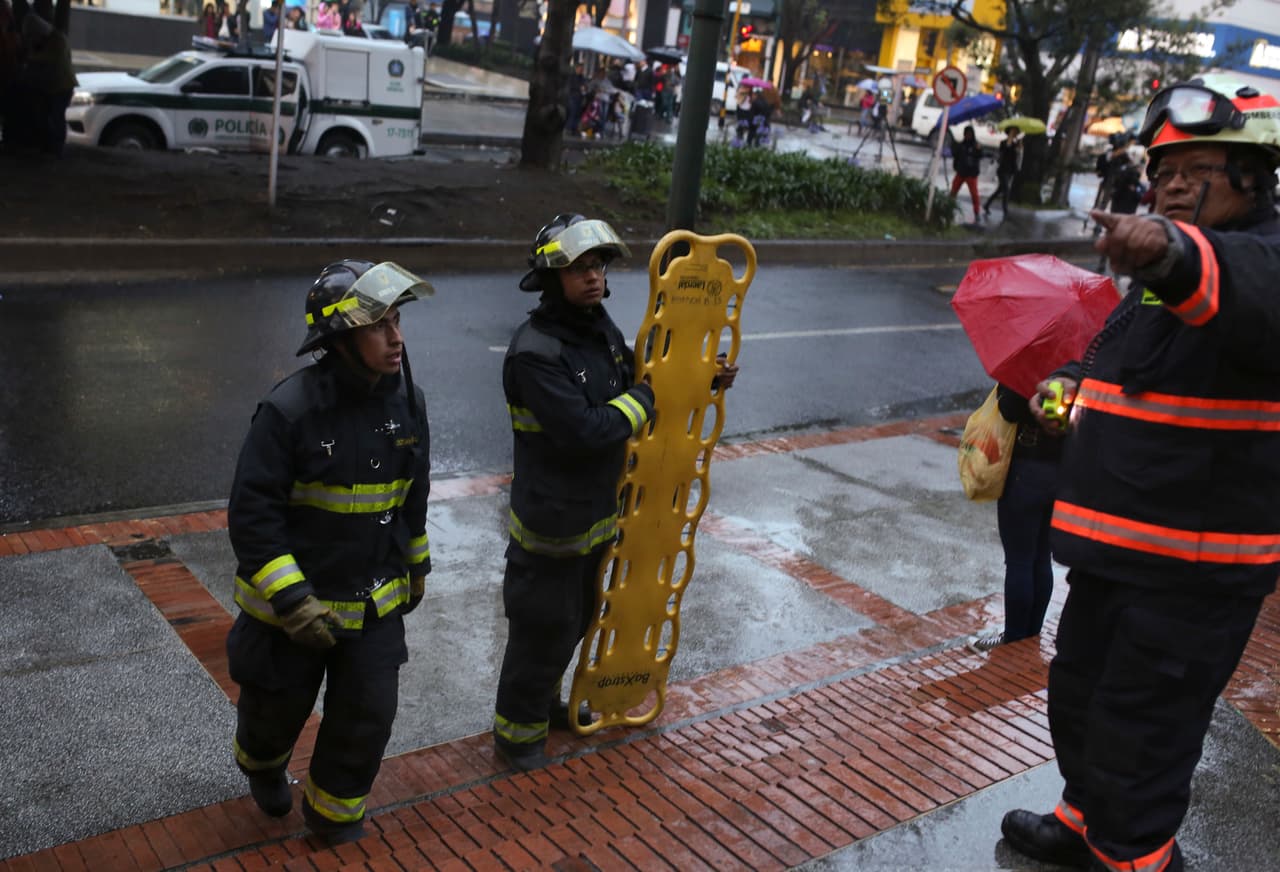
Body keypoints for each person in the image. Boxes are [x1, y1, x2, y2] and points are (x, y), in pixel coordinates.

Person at [1001, 74, 1280, 872]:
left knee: (1143, 731)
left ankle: (1134, 858)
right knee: (1083, 701)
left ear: (1254, 178)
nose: (1173, 185)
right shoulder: (1161, 286)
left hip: (1192, 576)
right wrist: (1070, 390)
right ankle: (1082, 822)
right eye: (1164, 172)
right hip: (1113, 560)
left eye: (1198, 169)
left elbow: (1241, 294)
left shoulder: (1249, 265)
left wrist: (1168, 248)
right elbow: (1121, 371)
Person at [492, 214, 737, 772]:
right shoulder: (536, 352)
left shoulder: (598, 330)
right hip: (550, 526)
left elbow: (643, 379)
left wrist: (704, 378)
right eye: (580, 268)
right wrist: (646, 400)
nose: (594, 277)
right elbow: (587, 430)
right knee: (542, 631)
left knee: (577, 622)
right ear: (551, 276)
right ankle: (516, 737)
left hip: (599, 515)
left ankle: (542, 707)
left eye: (598, 266)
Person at [225, 260, 434, 844]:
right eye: (379, 326)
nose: (396, 338)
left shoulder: (408, 403)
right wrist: (292, 601)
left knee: (367, 717)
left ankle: (335, 814)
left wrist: (416, 564)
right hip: (293, 615)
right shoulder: (289, 412)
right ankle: (263, 763)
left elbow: (412, 494)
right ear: (339, 338)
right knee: (274, 712)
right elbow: (253, 515)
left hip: (372, 605)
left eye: (397, 321)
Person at [966, 382, 1062, 653]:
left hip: (1026, 469)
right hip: (1060, 470)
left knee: (1019, 560)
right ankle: (1031, 636)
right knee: (1042, 557)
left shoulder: (1030, 364)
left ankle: (1015, 639)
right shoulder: (1079, 363)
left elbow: (1009, 410)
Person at [18, 11, 75, 157]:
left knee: (56, 117)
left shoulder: (57, 41)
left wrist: (30, 55)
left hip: (62, 86)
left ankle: (56, 148)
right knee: (52, 116)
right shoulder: (52, 39)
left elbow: (46, 59)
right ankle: (51, 147)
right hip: (55, 86)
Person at [984, 126, 1021, 220]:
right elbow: (1003, 152)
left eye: (1016, 132)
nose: (1015, 134)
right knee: (1006, 189)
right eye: (1013, 132)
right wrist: (1010, 142)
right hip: (1002, 170)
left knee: (1000, 190)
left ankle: (987, 205)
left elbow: (1017, 157)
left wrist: (1019, 149)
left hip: (1010, 170)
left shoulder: (1016, 144)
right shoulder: (1004, 143)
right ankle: (1005, 210)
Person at [950, 125, 983, 224]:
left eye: (970, 134)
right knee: (953, 191)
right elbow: (956, 156)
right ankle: (949, 208)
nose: (968, 136)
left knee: (974, 195)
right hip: (961, 172)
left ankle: (977, 213)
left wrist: (978, 149)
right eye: (967, 134)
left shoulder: (976, 145)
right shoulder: (961, 145)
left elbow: (980, 155)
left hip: (971, 174)